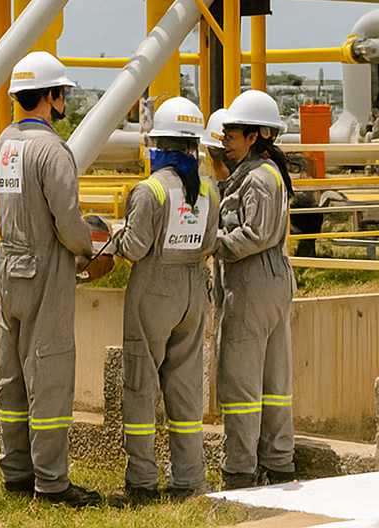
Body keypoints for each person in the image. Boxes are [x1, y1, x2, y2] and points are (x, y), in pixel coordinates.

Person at [0, 52, 101, 507]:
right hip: (45, 273)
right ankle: (52, 483)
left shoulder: (5, 144)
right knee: (49, 372)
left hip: (9, 269)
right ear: (52, 96)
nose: (64, 101)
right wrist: (92, 250)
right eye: (63, 94)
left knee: (12, 377)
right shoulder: (52, 150)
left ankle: (16, 473)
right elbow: (68, 222)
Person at [108, 97, 219, 506]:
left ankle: (141, 481)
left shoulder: (150, 190)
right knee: (186, 388)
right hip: (194, 289)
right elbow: (209, 243)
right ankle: (189, 480)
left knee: (140, 385)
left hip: (154, 291)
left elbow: (135, 247)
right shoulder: (209, 189)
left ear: (159, 145)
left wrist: (115, 237)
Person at [213, 89, 296, 489]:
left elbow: (255, 234)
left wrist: (211, 243)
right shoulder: (262, 173)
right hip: (273, 281)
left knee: (241, 379)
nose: (225, 138)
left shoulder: (258, 178)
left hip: (252, 283)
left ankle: (240, 469)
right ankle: (279, 462)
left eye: (232, 132)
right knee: (274, 380)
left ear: (254, 136)